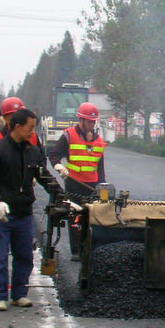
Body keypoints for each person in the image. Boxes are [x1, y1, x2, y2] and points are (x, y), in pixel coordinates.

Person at [0, 108, 60, 312]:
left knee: (24, 256)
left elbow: (43, 177)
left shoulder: (32, 152)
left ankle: (19, 294)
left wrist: (60, 192)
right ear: (17, 127)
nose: (32, 132)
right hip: (2, 214)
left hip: (23, 212)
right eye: (30, 128)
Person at [48, 102, 106, 259]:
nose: (92, 124)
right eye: (89, 121)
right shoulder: (68, 135)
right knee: (74, 216)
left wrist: (102, 185)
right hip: (73, 183)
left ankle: (87, 248)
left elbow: (99, 166)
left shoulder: (99, 141)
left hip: (92, 185)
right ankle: (76, 251)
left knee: (90, 217)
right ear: (81, 120)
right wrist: (58, 165)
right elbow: (54, 154)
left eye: (93, 121)